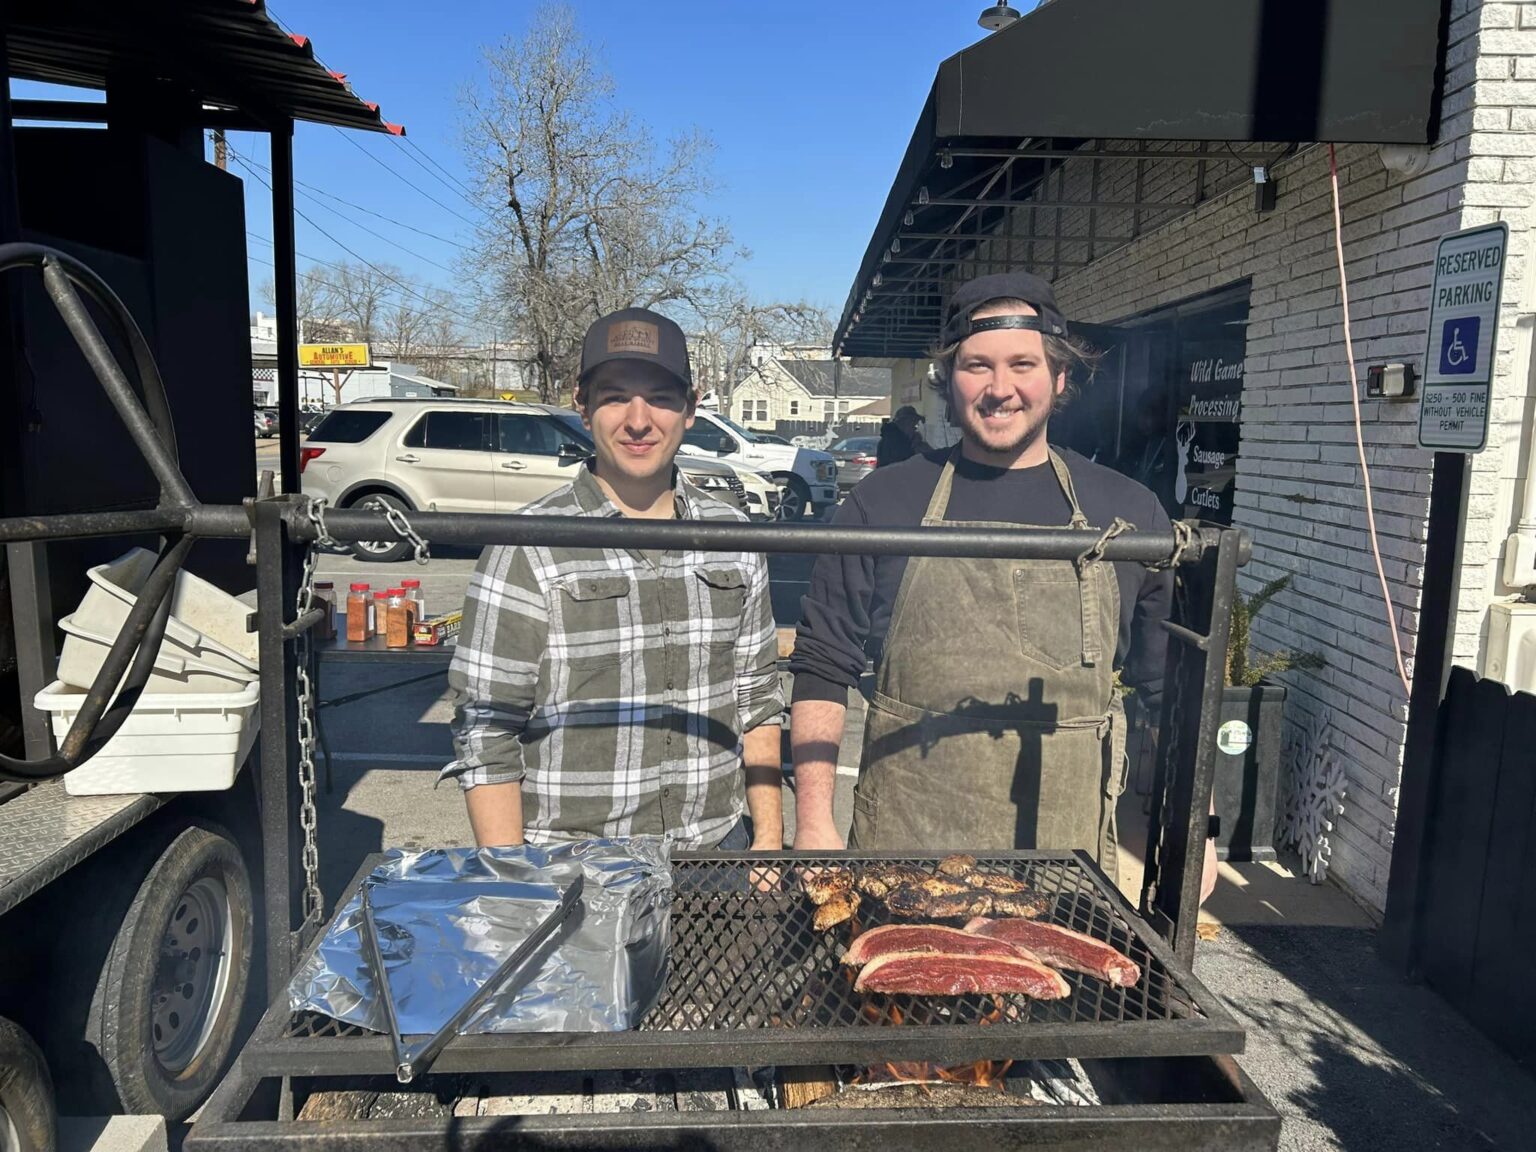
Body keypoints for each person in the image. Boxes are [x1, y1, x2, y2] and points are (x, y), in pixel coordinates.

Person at [790, 272, 1216, 900]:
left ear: (1060, 377)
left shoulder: (1127, 514)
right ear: (947, 377)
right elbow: (824, 665)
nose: (999, 389)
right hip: (904, 845)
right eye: (976, 366)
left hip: (1061, 859)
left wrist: (1194, 829)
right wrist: (813, 822)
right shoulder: (883, 501)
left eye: (1023, 364)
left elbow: (1165, 688)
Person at [441, 307, 785, 852]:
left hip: (717, 854)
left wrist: (767, 839)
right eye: (616, 396)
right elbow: (487, 728)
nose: (639, 419)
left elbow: (758, 697)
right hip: (574, 870)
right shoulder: (526, 545)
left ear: (691, 408)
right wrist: (514, 882)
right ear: (582, 406)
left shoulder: (736, 537)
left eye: (662, 398)